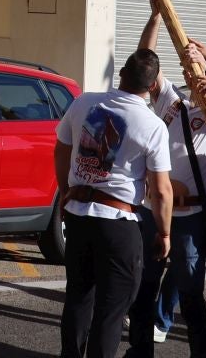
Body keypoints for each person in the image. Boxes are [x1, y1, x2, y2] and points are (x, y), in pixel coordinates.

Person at [134, 0, 206, 357]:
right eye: (187, 69)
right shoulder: (173, 103)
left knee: (190, 294)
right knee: (143, 289)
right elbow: (143, 62)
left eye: (196, 69)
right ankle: (138, 351)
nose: (190, 73)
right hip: (155, 212)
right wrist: (155, 17)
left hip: (193, 218)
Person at [53, 48, 173, 358]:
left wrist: (66, 190)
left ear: (121, 73)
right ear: (152, 86)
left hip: (79, 214)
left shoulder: (84, 102)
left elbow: (61, 148)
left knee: (79, 296)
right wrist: (165, 232)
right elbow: (161, 190)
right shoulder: (151, 124)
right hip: (118, 222)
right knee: (112, 307)